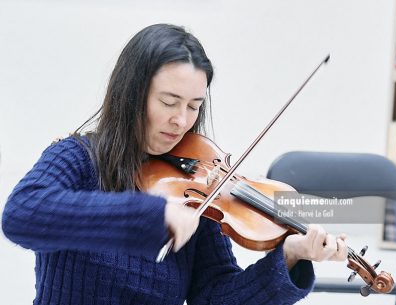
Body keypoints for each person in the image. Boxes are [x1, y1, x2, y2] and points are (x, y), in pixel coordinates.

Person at [2, 24, 348, 305]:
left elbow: (214, 296)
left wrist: (289, 256)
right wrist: (150, 215)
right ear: (132, 94)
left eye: (194, 105)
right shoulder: (78, 157)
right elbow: (21, 214)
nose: (181, 120)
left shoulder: (198, 188)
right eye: (169, 102)